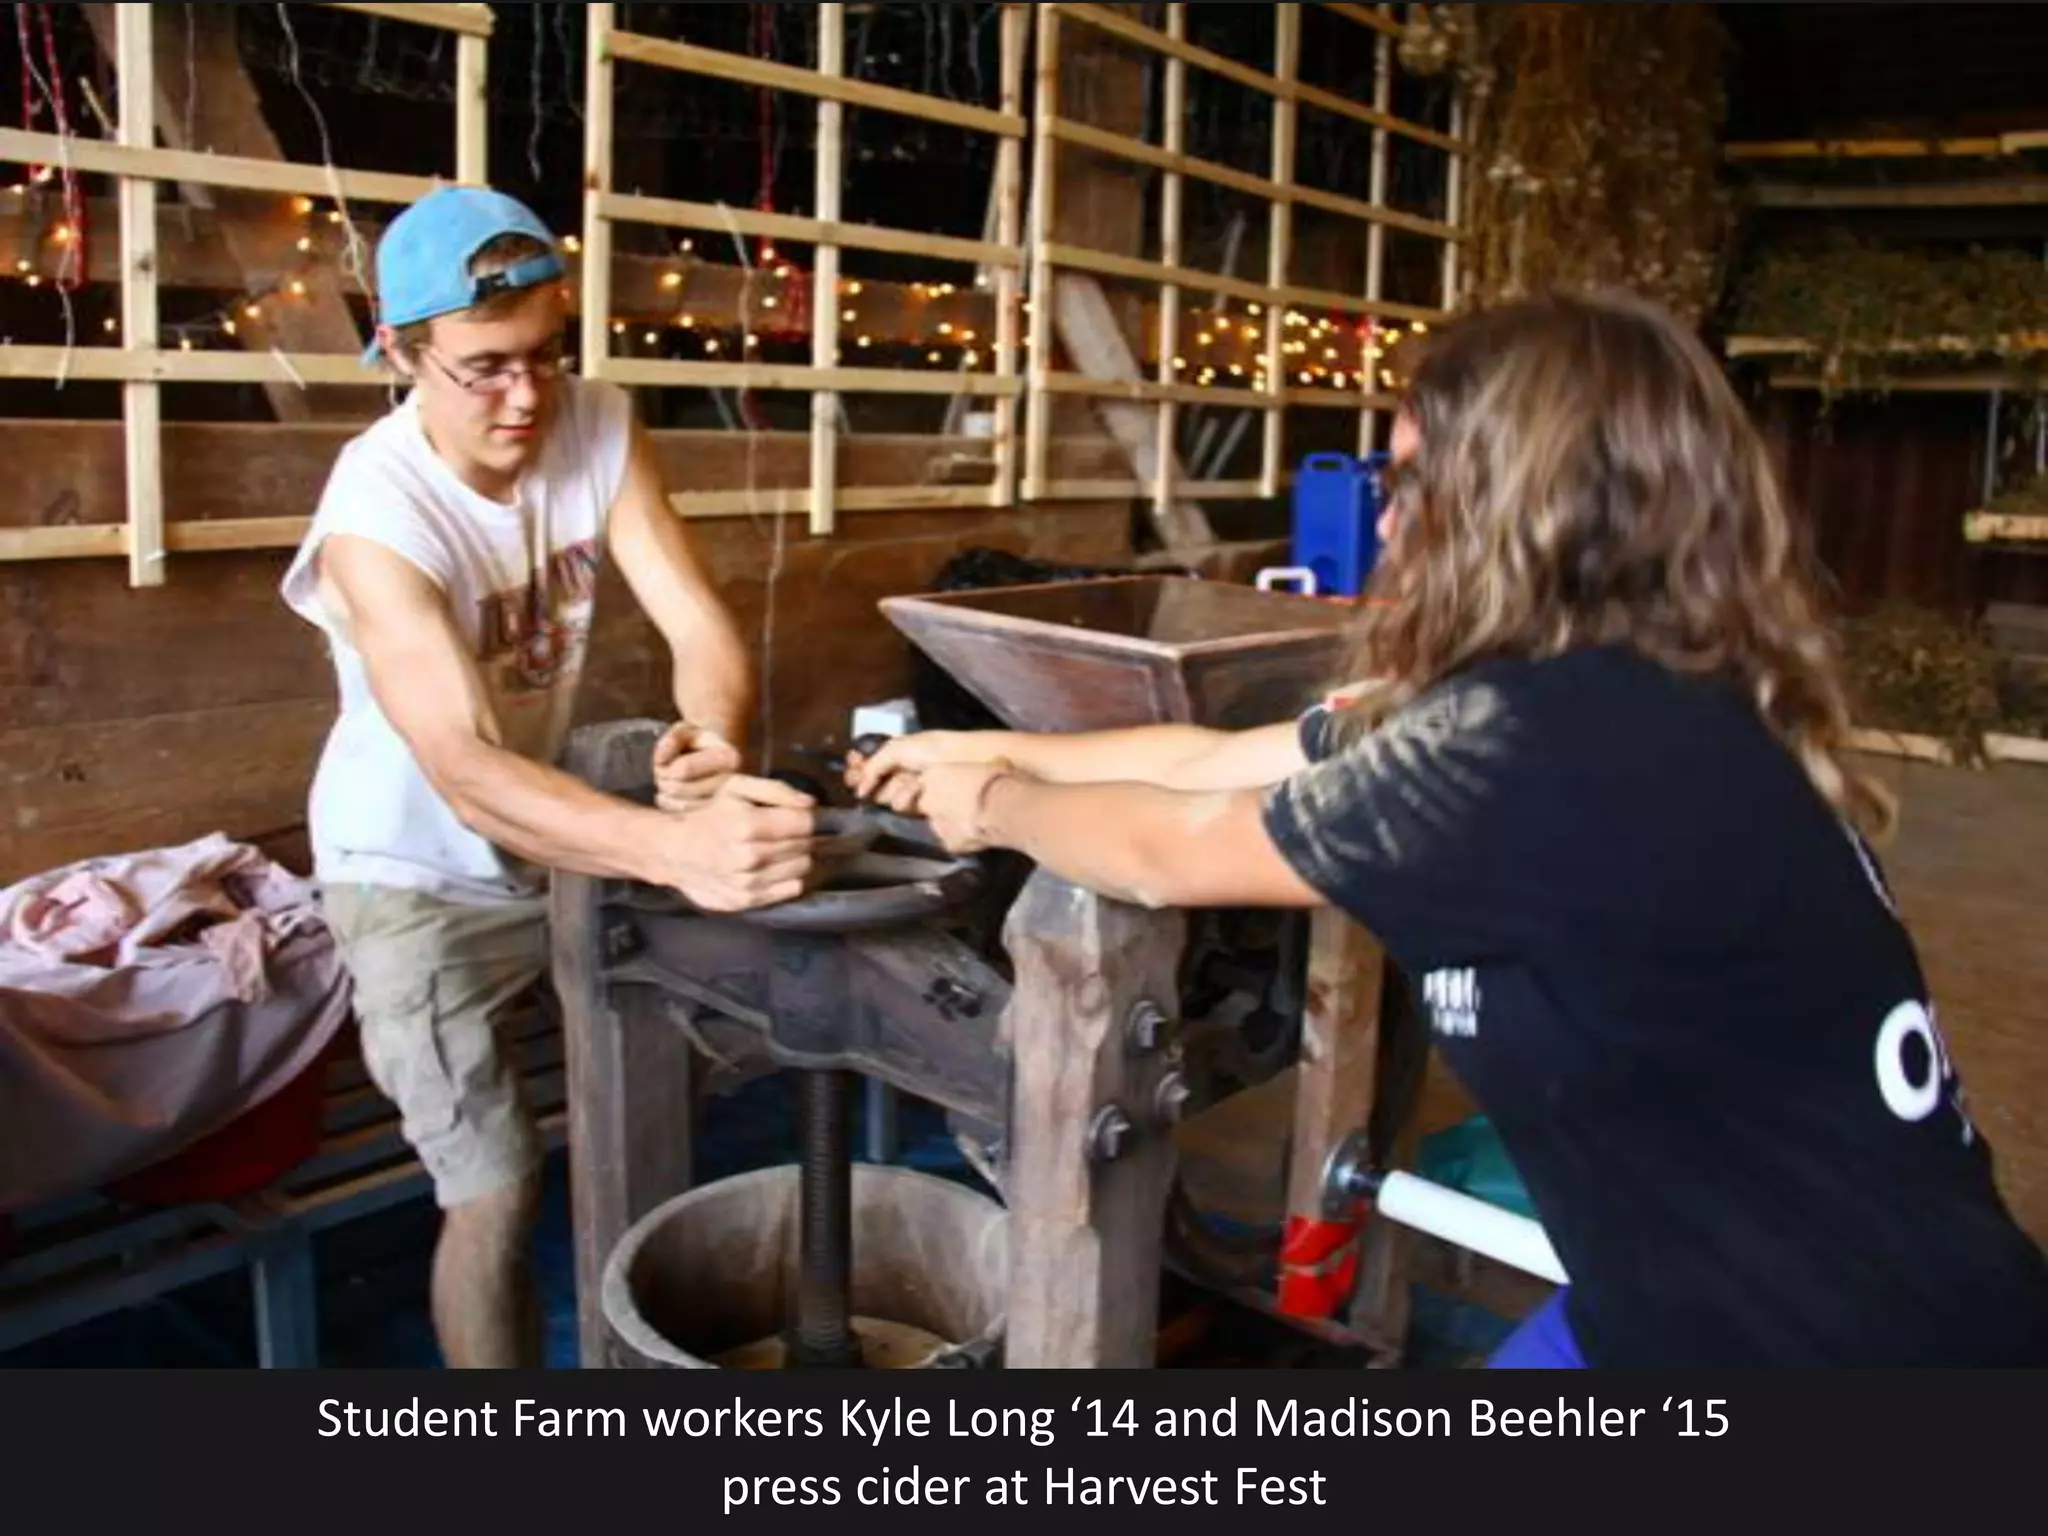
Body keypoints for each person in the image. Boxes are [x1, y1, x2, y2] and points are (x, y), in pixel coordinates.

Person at [848, 290, 2048, 1367]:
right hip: (1697, 1298)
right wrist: (991, 748)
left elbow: (1173, 847)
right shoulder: (1626, 688)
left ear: (1514, 508)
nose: (1383, 524)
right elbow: (1216, 756)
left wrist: (998, 812)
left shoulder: (1532, 747)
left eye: (1411, 486)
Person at [282, 186, 817, 1368]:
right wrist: (675, 850)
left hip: (551, 845)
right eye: (483, 368)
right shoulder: (375, 514)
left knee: (662, 1103)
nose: (525, 397)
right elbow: (464, 769)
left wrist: (715, 735)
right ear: (400, 351)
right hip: (410, 869)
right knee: (495, 1188)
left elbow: (696, 619)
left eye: (545, 356)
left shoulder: (598, 420)